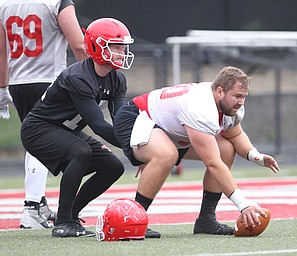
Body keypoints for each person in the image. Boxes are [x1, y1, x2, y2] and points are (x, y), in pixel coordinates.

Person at [113, 66, 280, 238]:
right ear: (220, 91)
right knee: (166, 154)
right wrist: (243, 204)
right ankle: (133, 219)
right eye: (237, 96)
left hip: (171, 130)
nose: (241, 102)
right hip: (137, 117)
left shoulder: (228, 106)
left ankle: (206, 220)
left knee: (226, 149)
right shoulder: (200, 107)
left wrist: (256, 156)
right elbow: (213, 163)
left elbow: (235, 134)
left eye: (244, 97)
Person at [20, 17, 135, 237]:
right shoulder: (79, 77)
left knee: (113, 166)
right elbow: (99, 126)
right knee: (81, 151)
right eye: (115, 47)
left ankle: (71, 214)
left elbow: (119, 122)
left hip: (65, 129)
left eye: (122, 48)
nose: (121, 53)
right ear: (96, 45)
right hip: (39, 129)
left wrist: (138, 141)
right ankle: (63, 223)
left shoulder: (117, 79)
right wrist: (133, 149)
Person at [0, 0, 88, 229]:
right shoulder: (57, 2)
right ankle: (32, 206)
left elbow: (1, 51)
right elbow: (79, 45)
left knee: (36, 141)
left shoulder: (5, 4)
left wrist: (2, 88)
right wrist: (93, 81)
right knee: (46, 138)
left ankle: (36, 203)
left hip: (19, 83)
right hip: (50, 81)